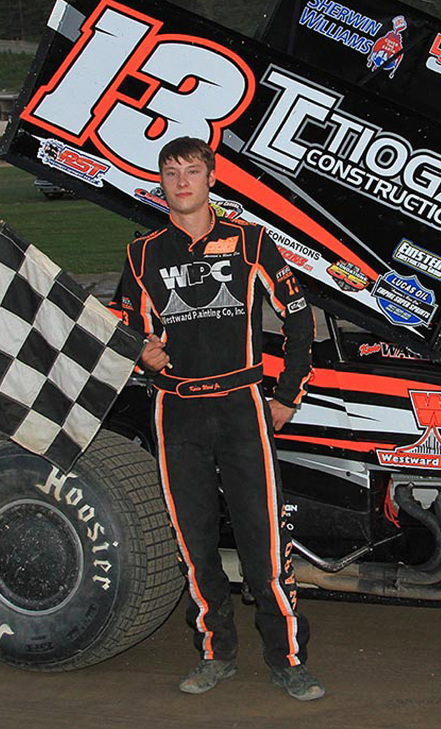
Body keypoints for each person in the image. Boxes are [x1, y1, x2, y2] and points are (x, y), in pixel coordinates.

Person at [113, 136, 322, 700]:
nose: (182, 181)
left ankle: (287, 659)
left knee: (265, 545)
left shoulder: (253, 242)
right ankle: (215, 652)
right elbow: (123, 325)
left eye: (192, 171)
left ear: (212, 177)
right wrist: (141, 350)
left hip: (242, 408)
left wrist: (287, 397)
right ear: (160, 181)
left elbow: (300, 321)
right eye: (171, 171)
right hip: (176, 413)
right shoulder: (142, 253)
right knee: (195, 545)